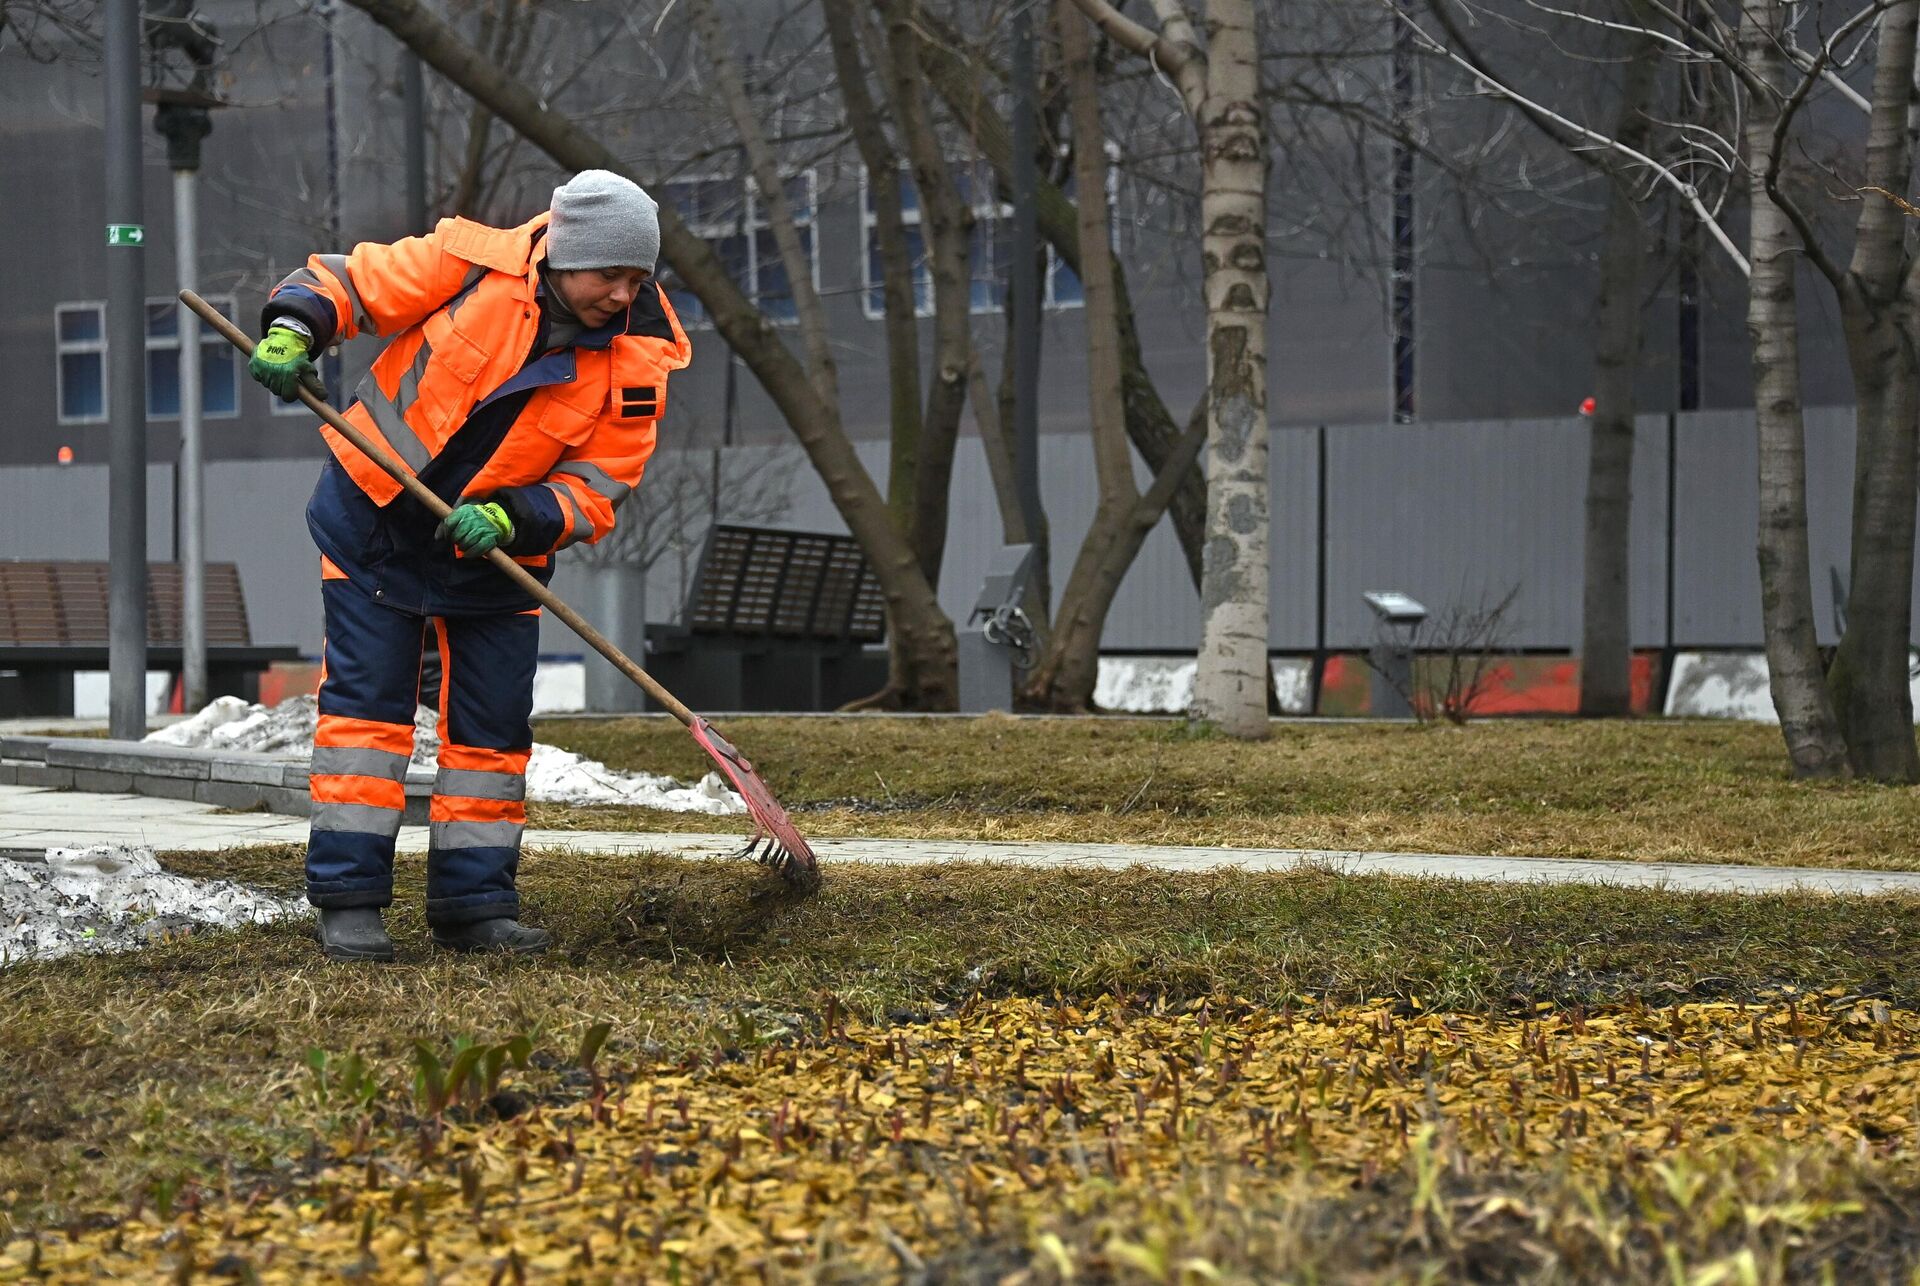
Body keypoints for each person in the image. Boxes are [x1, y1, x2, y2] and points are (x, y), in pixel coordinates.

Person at [249, 170, 690, 961]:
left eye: (638, 278)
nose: (624, 296)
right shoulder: (470, 265)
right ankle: (350, 901)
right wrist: (293, 327)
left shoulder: (640, 362)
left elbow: (596, 489)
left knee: (489, 737)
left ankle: (475, 905)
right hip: (373, 524)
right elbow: (349, 284)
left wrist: (517, 517)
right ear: (561, 253)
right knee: (367, 720)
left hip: (498, 561)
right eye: (608, 275)